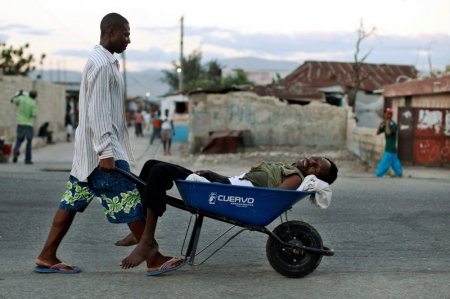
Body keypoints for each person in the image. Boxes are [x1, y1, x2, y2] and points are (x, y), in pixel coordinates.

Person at [34, 13, 183, 275]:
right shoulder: (102, 65)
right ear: (110, 31)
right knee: (127, 198)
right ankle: (153, 257)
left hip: (87, 155)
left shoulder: (103, 61)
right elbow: (99, 111)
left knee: (70, 203)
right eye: (125, 34)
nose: (129, 39)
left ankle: (47, 254)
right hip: (101, 152)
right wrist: (106, 151)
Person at [119, 156, 338, 271]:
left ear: (316, 177)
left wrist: (220, 182)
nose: (312, 162)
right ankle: (140, 224)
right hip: (224, 185)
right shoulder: (287, 167)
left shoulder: (296, 177)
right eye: (316, 158)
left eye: (317, 168)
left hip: (228, 193)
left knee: (157, 172)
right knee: (151, 165)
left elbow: (270, 197)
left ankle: (146, 240)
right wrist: (215, 175)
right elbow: (244, 180)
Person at [11, 90, 37, 164]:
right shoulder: (33, 103)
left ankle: (15, 152)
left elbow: (12, 100)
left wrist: (18, 95)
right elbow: (34, 115)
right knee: (29, 141)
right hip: (29, 124)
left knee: (19, 139)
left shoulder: (22, 99)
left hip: (20, 122)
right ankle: (27, 159)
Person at [375, 107, 403, 177]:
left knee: (384, 164)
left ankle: (379, 173)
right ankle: (399, 173)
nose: (385, 115)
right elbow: (377, 133)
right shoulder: (385, 124)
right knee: (395, 163)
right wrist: (381, 124)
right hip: (392, 150)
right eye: (385, 113)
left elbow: (388, 133)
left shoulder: (393, 124)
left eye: (387, 114)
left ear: (390, 115)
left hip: (389, 150)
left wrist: (387, 123)